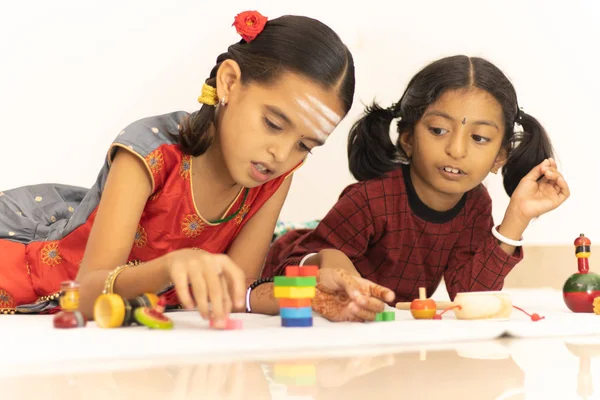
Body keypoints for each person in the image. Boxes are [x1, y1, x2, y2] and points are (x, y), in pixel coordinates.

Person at [0, 11, 390, 326]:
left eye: (305, 145)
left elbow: (236, 293)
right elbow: (84, 293)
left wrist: (313, 289)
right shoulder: (150, 151)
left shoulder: (274, 176)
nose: (280, 154)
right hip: (33, 277)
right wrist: (169, 267)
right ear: (230, 83)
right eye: (273, 123)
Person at [263, 55, 570, 305]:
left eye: (479, 137)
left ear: (500, 156)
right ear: (407, 138)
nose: (456, 149)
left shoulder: (475, 205)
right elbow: (298, 268)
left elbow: (469, 296)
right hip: (271, 266)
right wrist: (330, 263)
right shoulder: (370, 199)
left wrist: (516, 219)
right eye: (438, 130)